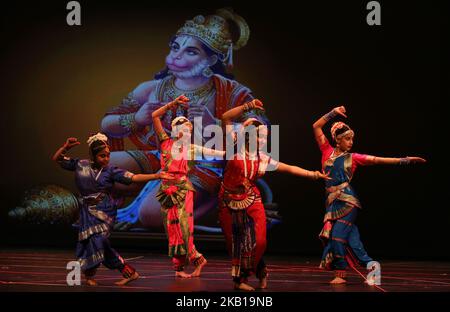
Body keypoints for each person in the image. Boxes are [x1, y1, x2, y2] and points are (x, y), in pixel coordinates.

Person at [100, 8, 272, 230]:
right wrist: (137, 118)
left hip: (206, 166)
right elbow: (107, 123)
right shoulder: (152, 89)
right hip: (161, 158)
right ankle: (157, 190)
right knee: (95, 170)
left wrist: (215, 125)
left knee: (151, 216)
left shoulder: (232, 92)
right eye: (175, 47)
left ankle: (215, 202)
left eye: (191, 52)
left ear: (211, 59)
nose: (177, 56)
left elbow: (265, 137)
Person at [219, 99, 330, 291]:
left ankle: (256, 270)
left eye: (265, 137)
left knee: (259, 241)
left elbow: (289, 168)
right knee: (235, 243)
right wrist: (248, 107)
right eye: (259, 136)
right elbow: (226, 117)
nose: (263, 140)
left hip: (252, 198)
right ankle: (242, 279)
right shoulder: (233, 147)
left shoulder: (263, 159)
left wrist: (313, 175)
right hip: (228, 200)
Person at [312, 106, 426, 284]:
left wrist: (405, 160)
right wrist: (333, 112)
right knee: (351, 239)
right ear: (338, 140)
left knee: (336, 237)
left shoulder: (354, 158)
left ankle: (341, 273)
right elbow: (316, 126)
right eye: (347, 139)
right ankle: (373, 267)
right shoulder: (326, 150)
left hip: (347, 201)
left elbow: (379, 160)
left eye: (352, 139)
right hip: (331, 203)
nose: (351, 142)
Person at [52, 133, 174, 286]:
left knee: (99, 239)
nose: (106, 159)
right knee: (91, 243)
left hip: (104, 211)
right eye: (102, 156)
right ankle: (124, 272)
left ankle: (91, 274)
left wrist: (156, 176)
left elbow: (133, 177)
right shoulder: (80, 164)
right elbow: (57, 159)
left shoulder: (110, 171)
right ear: (93, 155)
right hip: (87, 211)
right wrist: (65, 147)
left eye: (108, 155)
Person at [152, 95, 225, 278]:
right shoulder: (165, 142)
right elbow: (155, 116)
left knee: (185, 227)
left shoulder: (190, 148)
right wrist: (173, 104)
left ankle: (197, 259)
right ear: (175, 130)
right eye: (182, 129)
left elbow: (218, 153)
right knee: (172, 229)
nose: (185, 132)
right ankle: (178, 267)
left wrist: (234, 148)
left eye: (188, 129)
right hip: (166, 191)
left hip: (183, 191)